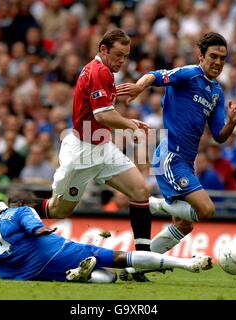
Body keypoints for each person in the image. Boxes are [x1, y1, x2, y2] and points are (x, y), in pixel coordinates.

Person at [27, 29, 153, 280]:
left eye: (126, 56)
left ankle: (141, 264)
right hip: (83, 151)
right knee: (59, 210)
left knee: (141, 192)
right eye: (118, 54)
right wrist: (130, 124)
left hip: (101, 146)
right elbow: (102, 115)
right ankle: (14, 208)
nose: (121, 61)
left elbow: (102, 111)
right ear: (103, 50)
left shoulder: (103, 72)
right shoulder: (99, 71)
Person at [116, 32, 236, 258]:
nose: (218, 62)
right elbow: (155, 75)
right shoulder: (189, 74)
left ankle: (135, 264)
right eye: (213, 56)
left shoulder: (217, 93)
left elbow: (218, 136)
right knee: (206, 210)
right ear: (201, 56)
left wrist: (232, 122)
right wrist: (138, 87)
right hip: (170, 157)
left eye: (223, 58)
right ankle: (153, 205)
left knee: (184, 225)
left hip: (186, 161)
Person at [0, 190, 213, 283]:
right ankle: (187, 263)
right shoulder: (21, 212)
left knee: (112, 277)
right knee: (118, 260)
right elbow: (33, 226)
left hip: (25, 274)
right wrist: (43, 229)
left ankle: (77, 275)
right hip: (52, 250)